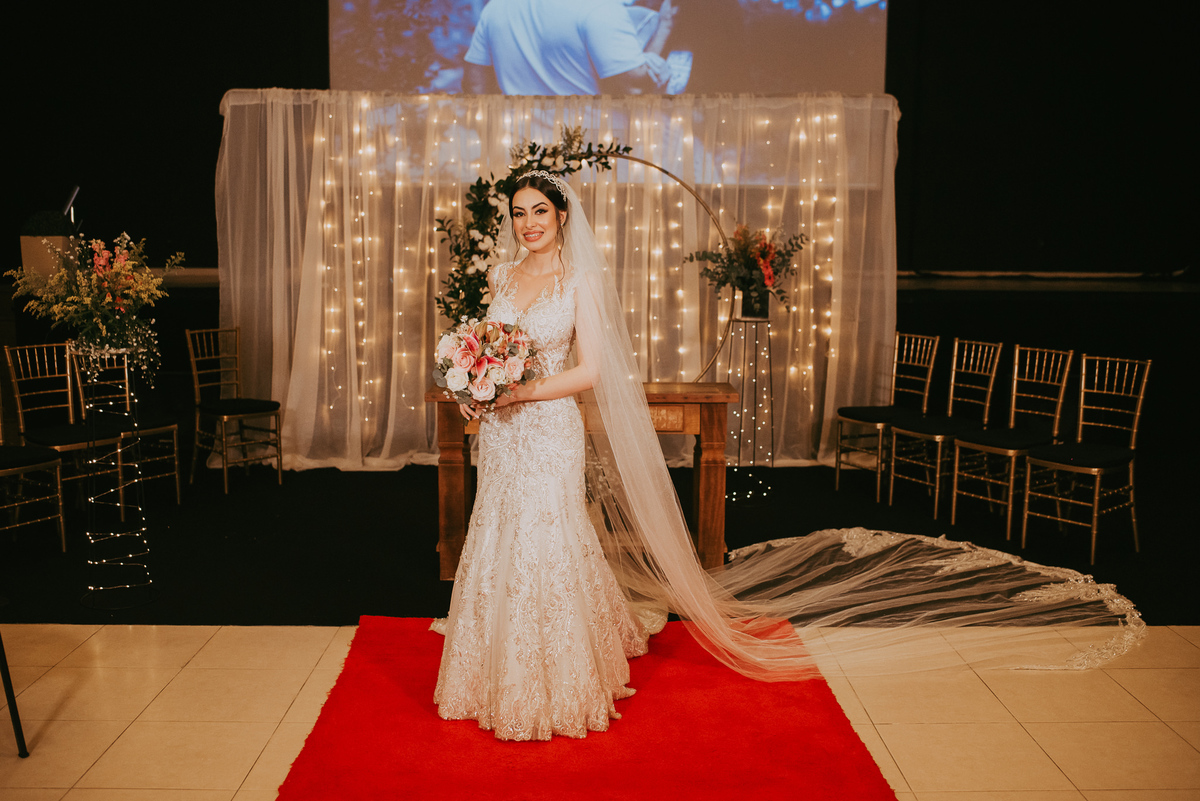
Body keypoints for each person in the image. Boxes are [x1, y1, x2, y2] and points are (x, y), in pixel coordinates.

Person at [433, 171, 1145, 742]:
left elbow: (590, 371)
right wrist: (476, 390)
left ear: (562, 216)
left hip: (547, 426)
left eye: (539, 211)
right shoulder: (502, 277)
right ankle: (488, 666)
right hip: (504, 431)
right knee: (498, 532)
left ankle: (552, 678)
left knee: (548, 536)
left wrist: (522, 391)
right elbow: (488, 351)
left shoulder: (579, 281)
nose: (528, 223)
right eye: (519, 212)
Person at [461, 0, 676, 95]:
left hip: (519, 152)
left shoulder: (496, 7)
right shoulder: (600, 9)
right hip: (588, 155)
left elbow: (474, 84)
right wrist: (665, 25)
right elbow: (634, 88)